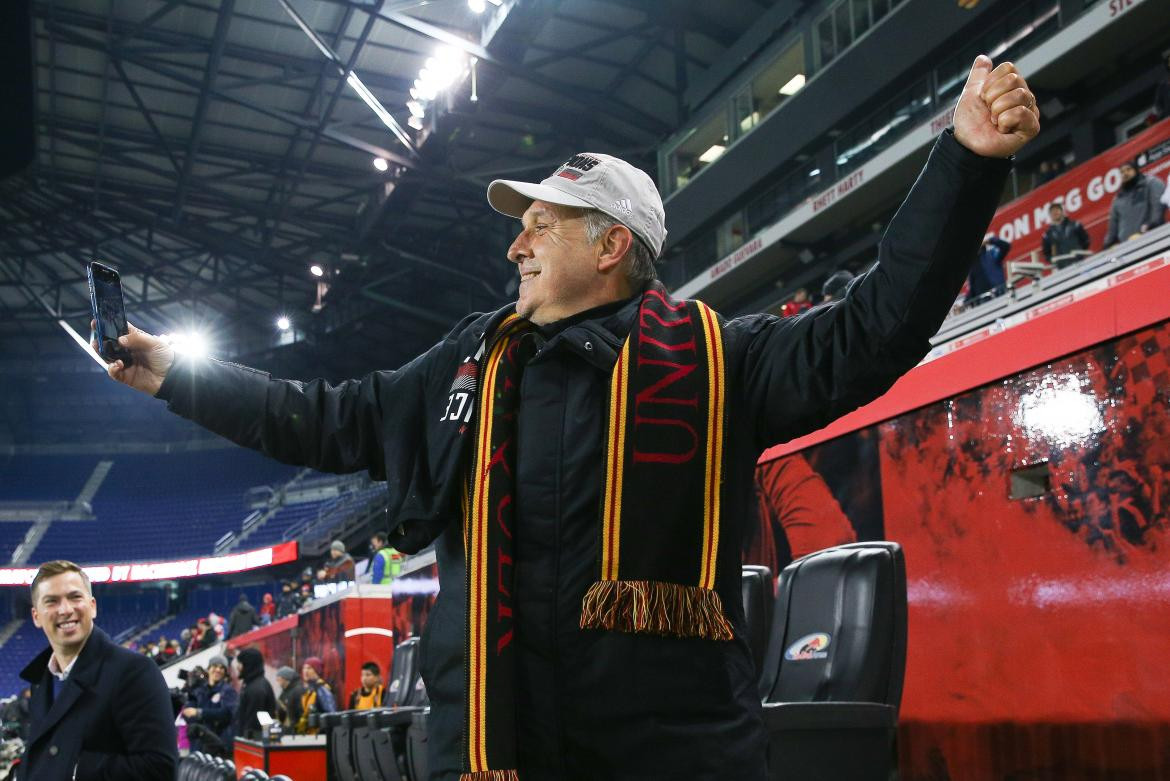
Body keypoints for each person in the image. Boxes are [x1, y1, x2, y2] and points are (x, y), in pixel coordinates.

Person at [98, 56, 1037, 781]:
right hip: (484, 752)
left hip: (673, 759)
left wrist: (963, 167)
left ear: (612, 243)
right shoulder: (470, 357)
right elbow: (323, 419)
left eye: (541, 224)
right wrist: (180, 375)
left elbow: (875, 329)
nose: (517, 242)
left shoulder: (723, 359)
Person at [17, 560, 176, 780]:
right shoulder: (40, 680)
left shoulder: (135, 671)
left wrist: (72, 768)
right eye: (52, 601)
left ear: (92, 606)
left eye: (75, 597)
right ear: (36, 616)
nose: (65, 609)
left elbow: (160, 769)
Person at [181, 654, 238, 756]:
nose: (218, 670)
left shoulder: (228, 691)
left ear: (225, 672)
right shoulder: (199, 690)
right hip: (198, 744)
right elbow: (187, 712)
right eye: (215, 666)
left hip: (217, 744)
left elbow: (226, 714)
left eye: (222, 668)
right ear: (208, 669)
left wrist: (199, 713)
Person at [1104, 159, 1167, 247]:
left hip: (1154, 240)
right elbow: (1112, 228)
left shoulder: (1151, 183)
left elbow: (1158, 209)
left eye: (1128, 169)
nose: (1125, 174)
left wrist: (1150, 226)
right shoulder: (1117, 199)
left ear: (1136, 170)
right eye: (1122, 172)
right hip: (1128, 249)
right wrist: (1107, 245)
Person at [233, 648, 276, 742]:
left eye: (240, 663)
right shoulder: (253, 684)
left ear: (248, 665)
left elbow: (252, 723)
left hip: (254, 743)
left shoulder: (256, 689)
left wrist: (244, 740)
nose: (237, 667)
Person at [1042, 202, 1091, 267]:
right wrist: (1057, 262)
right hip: (1063, 269)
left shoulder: (1075, 225)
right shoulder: (1048, 235)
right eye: (1052, 212)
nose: (1055, 213)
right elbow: (1047, 254)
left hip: (1080, 262)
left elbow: (1085, 241)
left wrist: (1079, 253)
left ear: (1062, 212)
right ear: (1050, 215)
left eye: (1057, 210)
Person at [296, 657, 336, 735]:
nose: (305, 671)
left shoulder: (322, 689)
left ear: (317, 670)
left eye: (309, 668)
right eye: (304, 668)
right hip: (311, 735)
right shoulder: (310, 688)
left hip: (320, 737)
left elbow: (331, 714)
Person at [967, 233, 1011, 299]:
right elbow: (973, 290)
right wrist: (963, 304)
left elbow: (1006, 246)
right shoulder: (971, 267)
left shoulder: (991, 254)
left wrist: (990, 241)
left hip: (1000, 295)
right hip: (984, 303)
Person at [274, 666, 305, 731]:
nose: (277, 679)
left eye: (279, 677)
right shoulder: (285, 691)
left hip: (295, 731)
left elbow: (300, 711)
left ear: (285, 678)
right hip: (287, 729)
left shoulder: (297, 691)